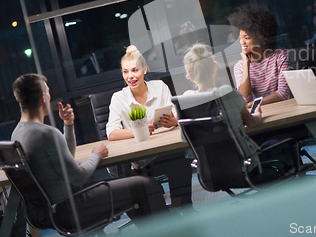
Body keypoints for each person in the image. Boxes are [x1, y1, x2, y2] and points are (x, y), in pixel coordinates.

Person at [11, 73, 167, 230]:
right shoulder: (46, 133)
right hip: (72, 207)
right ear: (43, 98)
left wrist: (68, 125)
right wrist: (96, 155)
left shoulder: (17, 134)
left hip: (49, 211)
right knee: (148, 185)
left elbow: (67, 159)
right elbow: (79, 177)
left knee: (133, 188)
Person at [181, 43, 296, 178]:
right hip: (248, 168)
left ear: (191, 75)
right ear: (215, 67)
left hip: (213, 175)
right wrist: (258, 114)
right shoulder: (227, 93)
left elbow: (185, 138)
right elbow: (252, 122)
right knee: (284, 140)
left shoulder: (186, 100)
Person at [106, 45, 193, 209]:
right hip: (142, 161)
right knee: (176, 167)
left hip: (166, 152)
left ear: (145, 69)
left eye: (135, 70)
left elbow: (176, 113)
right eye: (125, 72)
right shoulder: (118, 98)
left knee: (182, 164)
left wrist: (174, 121)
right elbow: (112, 133)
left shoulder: (159, 87)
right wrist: (138, 131)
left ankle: (180, 210)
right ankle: (165, 214)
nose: (130, 76)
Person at [227, 6, 292, 108]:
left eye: (247, 37)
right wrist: (246, 64)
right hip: (260, 115)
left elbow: (283, 93)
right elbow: (244, 99)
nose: (242, 42)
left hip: (284, 109)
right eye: (240, 38)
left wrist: (253, 104)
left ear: (260, 37)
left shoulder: (280, 55)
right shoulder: (240, 66)